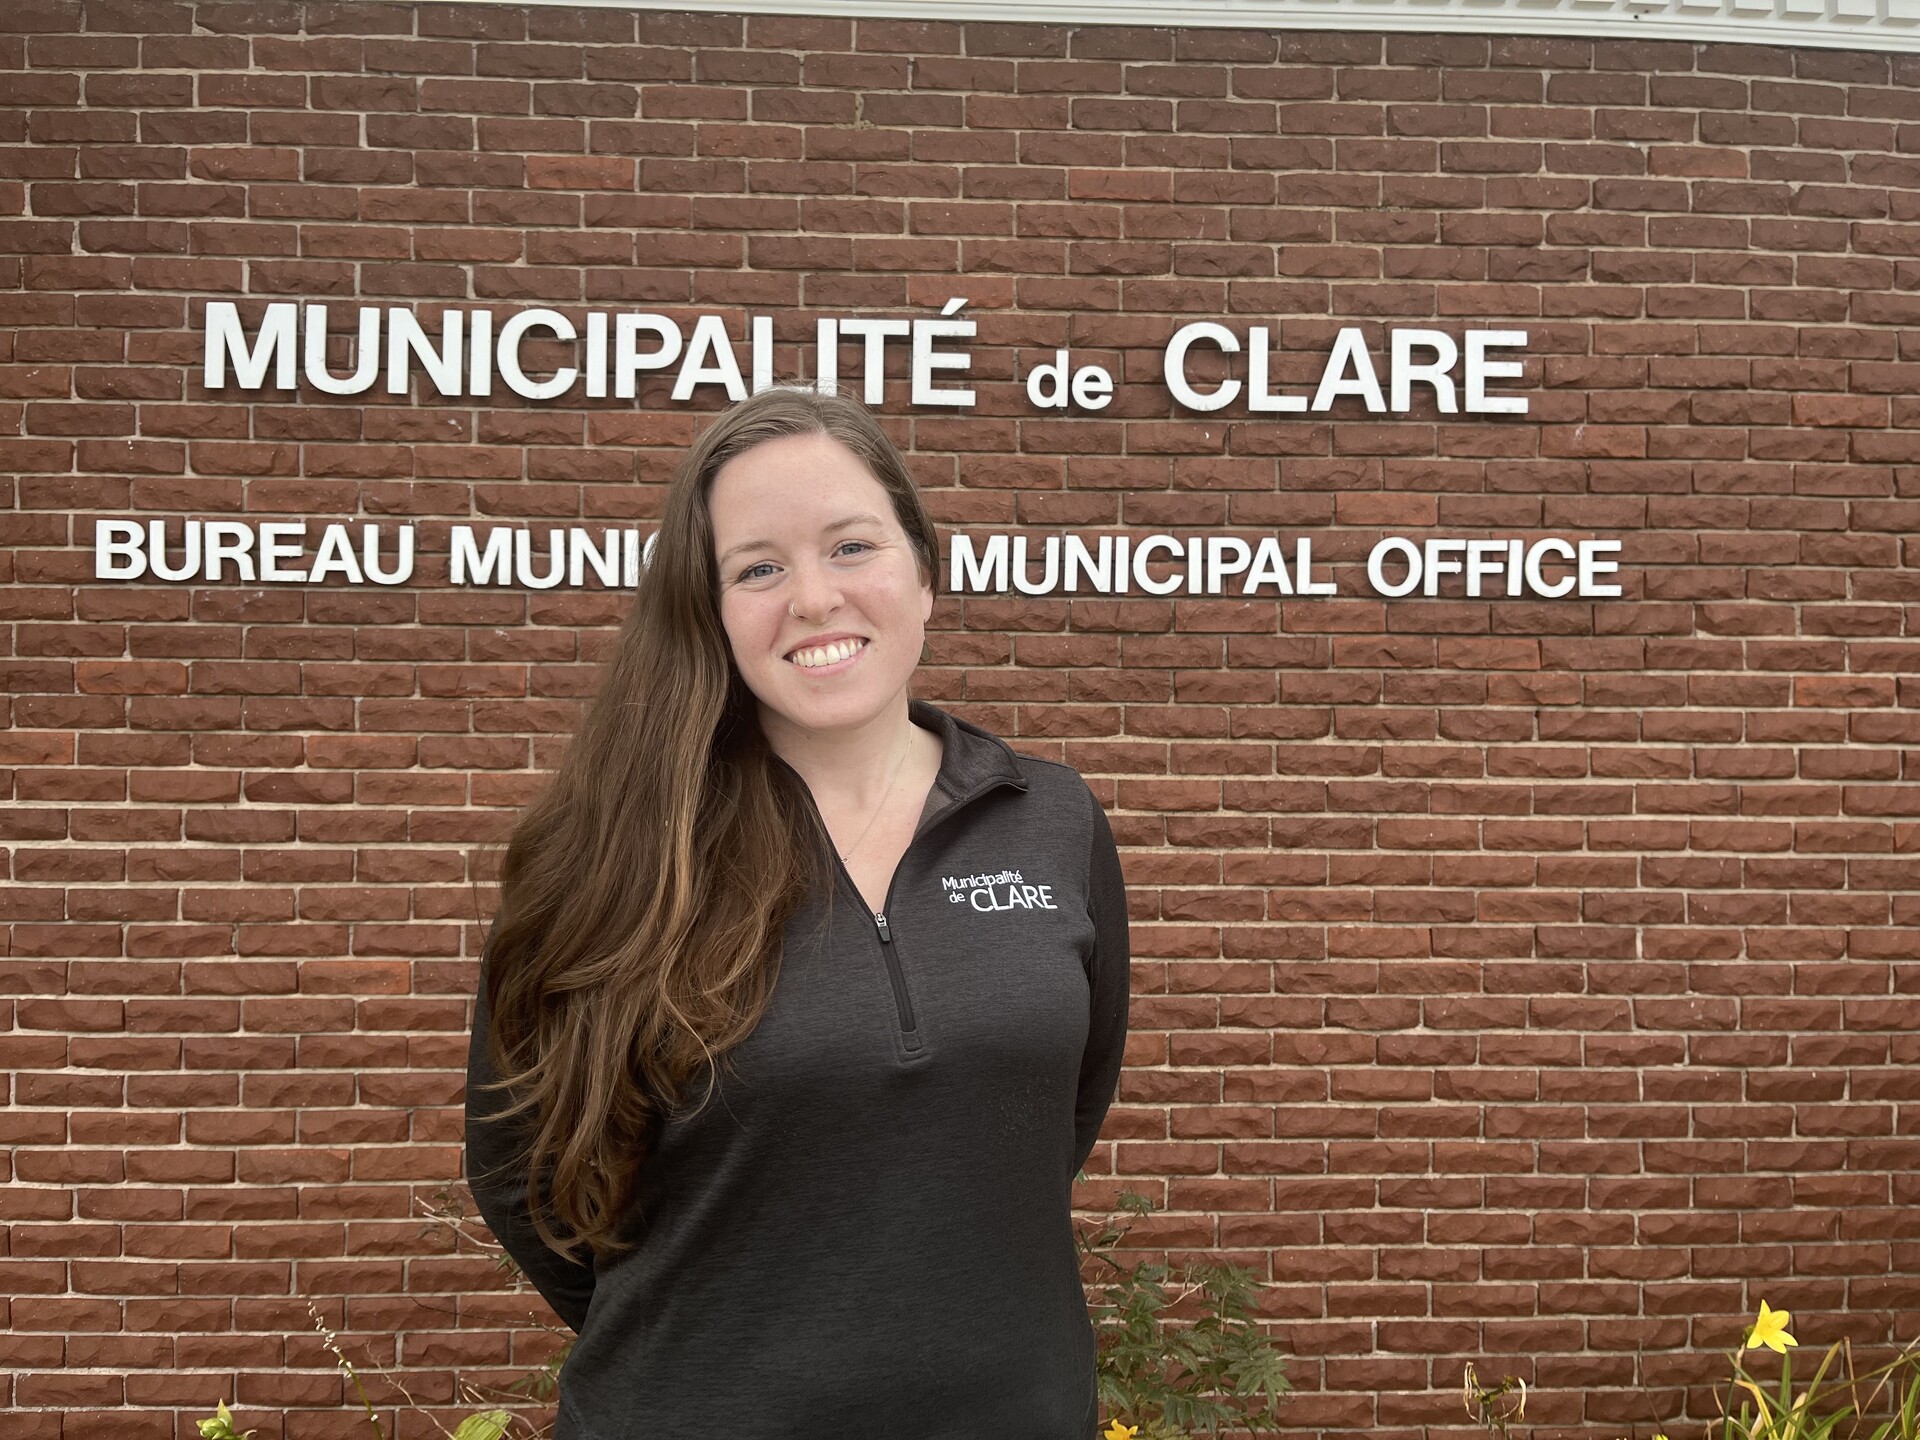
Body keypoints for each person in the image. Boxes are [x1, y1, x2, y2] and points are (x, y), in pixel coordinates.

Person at [463, 385, 1132, 1440]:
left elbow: (1054, 1119)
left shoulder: (1049, 820)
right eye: (758, 567)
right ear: (710, 610)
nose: (813, 598)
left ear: (923, 570)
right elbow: (520, 1173)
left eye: (852, 545)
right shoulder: (615, 851)